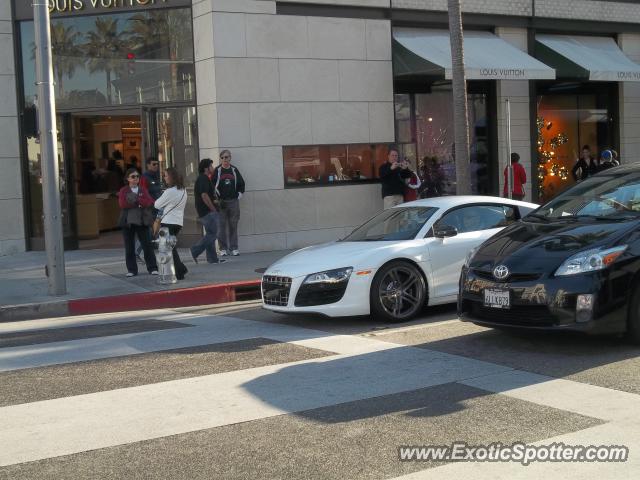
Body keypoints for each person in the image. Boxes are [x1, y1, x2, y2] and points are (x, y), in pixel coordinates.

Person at [118, 168, 158, 277]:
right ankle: (131, 270)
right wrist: (140, 202)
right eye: (133, 177)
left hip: (142, 221)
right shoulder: (123, 190)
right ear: (128, 179)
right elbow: (123, 204)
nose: (136, 178)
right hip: (128, 222)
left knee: (147, 245)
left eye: (137, 176)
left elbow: (150, 202)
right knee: (129, 247)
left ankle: (153, 268)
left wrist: (135, 200)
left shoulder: (142, 190)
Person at [154, 167, 188, 280]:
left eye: (166, 175)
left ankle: (180, 271)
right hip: (178, 222)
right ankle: (181, 269)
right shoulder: (183, 190)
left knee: (168, 249)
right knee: (171, 248)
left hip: (167, 222)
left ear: (172, 177)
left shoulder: (169, 192)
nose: (164, 178)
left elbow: (157, 205)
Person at [190, 158, 225, 264]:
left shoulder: (204, 178)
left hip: (207, 211)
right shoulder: (203, 179)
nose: (212, 168)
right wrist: (213, 208)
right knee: (213, 234)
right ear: (206, 168)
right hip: (207, 212)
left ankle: (212, 259)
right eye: (211, 166)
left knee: (210, 233)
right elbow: (204, 195)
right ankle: (195, 250)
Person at [212, 150, 246, 256]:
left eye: (226, 157)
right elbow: (212, 186)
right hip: (221, 202)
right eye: (222, 157)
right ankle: (222, 249)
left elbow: (241, 183)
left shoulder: (234, 170)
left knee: (233, 225)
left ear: (230, 158)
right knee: (221, 226)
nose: (224, 159)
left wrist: (239, 194)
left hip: (233, 201)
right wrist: (217, 199)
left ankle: (234, 248)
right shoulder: (217, 171)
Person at [136, 157, 163, 260]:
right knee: (149, 231)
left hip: (157, 208)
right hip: (150, 208)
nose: (156, 166)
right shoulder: (145, 177)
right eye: (153, 164)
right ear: (148, 165)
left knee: (155, 230)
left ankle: (160, 251)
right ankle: (136, 251)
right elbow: (143, 193)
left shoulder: (156, 176)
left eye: (157, 164)